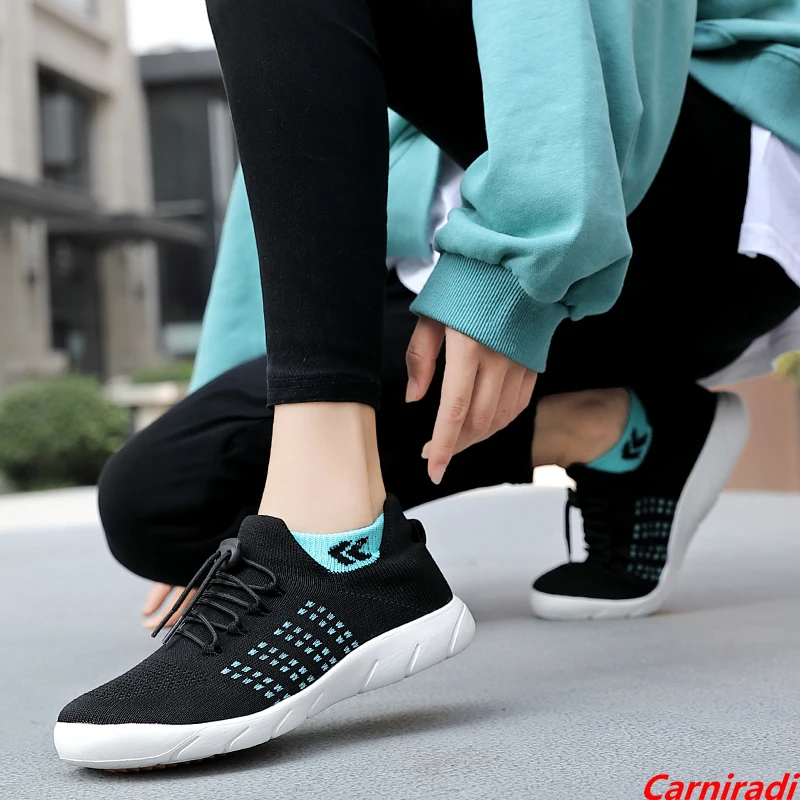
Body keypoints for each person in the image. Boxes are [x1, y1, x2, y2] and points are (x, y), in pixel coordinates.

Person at [54, 0, 800, 771]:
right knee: (162, 499)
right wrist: (248, 464)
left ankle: (336, 550)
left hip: (682, 189)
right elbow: (286, 172)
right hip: (457, 241)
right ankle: (628, 432)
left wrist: (511, 268)